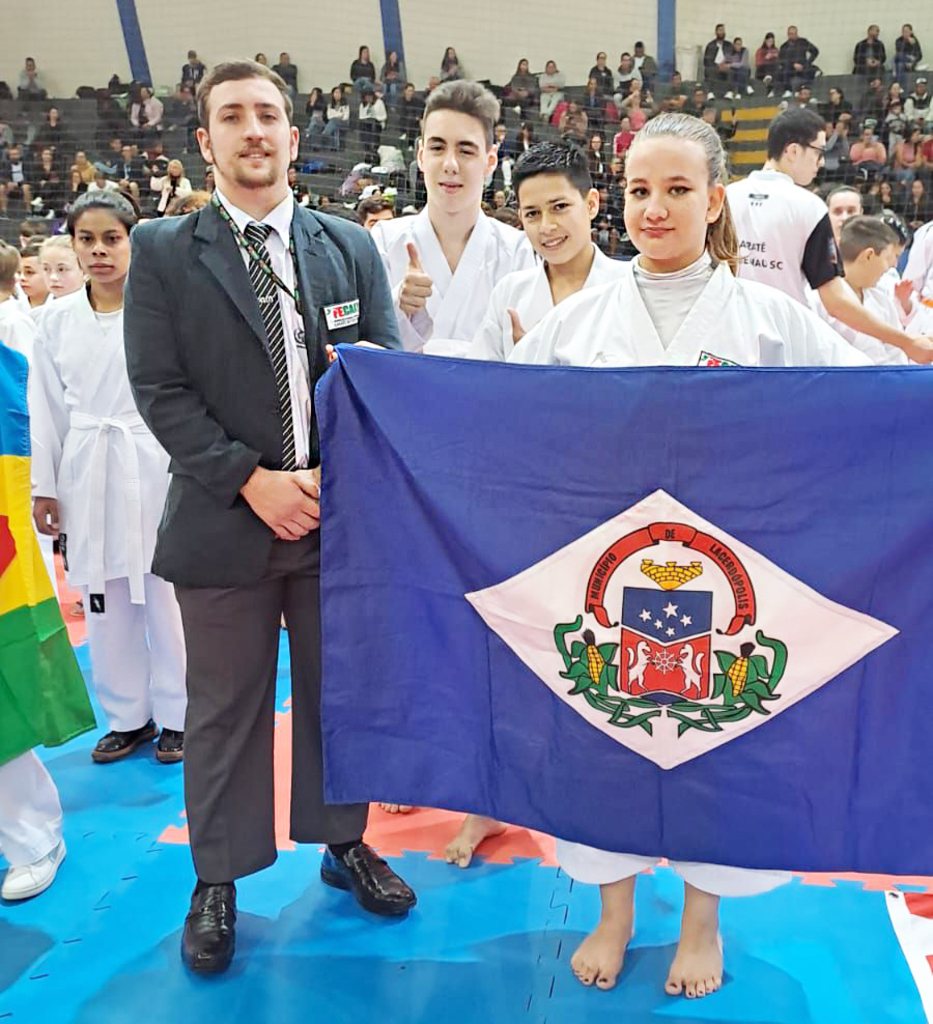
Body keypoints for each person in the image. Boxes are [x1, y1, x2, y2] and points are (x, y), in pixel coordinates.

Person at [508, 113, 867, 998]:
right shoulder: (573, 323)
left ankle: (703, 919)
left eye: (676, 191)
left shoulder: (771, 322)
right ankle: (614, 910)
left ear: (713, 201)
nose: (654, 209)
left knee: (721, 748)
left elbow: (866, 407)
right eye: (638, 190)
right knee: (600, 741)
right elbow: (490, 419)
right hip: (601, 576)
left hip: (734, 580)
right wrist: (373, 381)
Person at [123, 58, 414, 976]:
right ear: (204, 141)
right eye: (234, 117)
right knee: (224, 712)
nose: (255, 131)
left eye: (270, 115)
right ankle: (217, 878)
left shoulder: (347, 247)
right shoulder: (165, 248)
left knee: (341, 700)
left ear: (294, 134)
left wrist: (339, 477)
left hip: (337, 524)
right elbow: (160, 391)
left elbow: (386, 373)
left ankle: (343, 842)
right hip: (224, 518)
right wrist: (250, 480)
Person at [29, 191, 187, 771]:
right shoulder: (52, 322)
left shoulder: (159, 310)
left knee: (166, 596)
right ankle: (128, 716)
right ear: (73, 245)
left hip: (154, 463)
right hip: (88, 467)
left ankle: (179, 714)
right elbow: (44, 409)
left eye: (111, 239)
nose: (98, 251)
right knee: (103, 598)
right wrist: (45, 486)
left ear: (132, 241)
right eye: (86, 240)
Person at [727, 108, 933, 363]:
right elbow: (835, 302)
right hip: (786, 349)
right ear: (793, 151)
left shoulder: (725, 197)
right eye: (818, 152)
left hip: (731, 341)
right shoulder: (808, 206)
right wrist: (906, 342)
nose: (822, 162)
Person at [369, 80, 535, 354]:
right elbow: (368, 354)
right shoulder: (384, 242)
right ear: (421, 156)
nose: (450, 165)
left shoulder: (518, 251)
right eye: (437, 148)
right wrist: (399, 306)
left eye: (465, 150)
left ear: (490, 160)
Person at [827, 216, 911, 364]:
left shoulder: (882, 302)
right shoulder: (820, 299)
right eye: (887, 258)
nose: (890, 266)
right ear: (869, 255)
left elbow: (898, 359)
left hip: (886, 383)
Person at [778, 26, 819, 97]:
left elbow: (815, 51)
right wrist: (793, 65)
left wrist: (808, 62)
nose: (793, 35)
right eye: (791, 34)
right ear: (788, 34)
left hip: (803, 66)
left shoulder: (803, 42)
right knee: (782, 71)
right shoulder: (784, 46)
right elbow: (781, 60)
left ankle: (803, 90)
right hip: (790, 68)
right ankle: (788, 90)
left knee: (812, 69)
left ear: (797, 33)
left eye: (794, 33)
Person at [703, 25, 733, 99]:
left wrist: (727, 65)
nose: (721, 32)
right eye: (720, 30)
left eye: (723, 30)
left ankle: (729, 92)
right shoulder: (710, 45)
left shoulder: (729, 45)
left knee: (732, 70)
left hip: (726, 67)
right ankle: (710, 93)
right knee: (709, 69)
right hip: (714, 67)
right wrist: (717, 66)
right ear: (716, 32)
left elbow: (733, 58)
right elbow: (706, 61)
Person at [18, 244, 50, 313]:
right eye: (19, 272)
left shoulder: (62, 306)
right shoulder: (13, 306)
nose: (22, 278)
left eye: (29, 272)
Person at [895, 25, 922, 89]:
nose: (905, 33)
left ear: (911, 32)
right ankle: (900, 87)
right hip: (903, 60)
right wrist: (906, 42)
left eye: (907, 31)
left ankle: (899, 86)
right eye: (903, 31)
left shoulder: (915, 41)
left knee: (899, 64)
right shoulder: (899, 41)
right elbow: (899, 52)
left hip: (911, 63)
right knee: (898, 59)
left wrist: (913, 45)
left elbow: (919, 55)